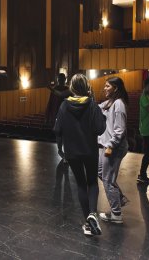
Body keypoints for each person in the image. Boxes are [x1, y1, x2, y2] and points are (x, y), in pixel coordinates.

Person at [54, 74, 106, 236]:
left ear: (72, 87)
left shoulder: (64, 106)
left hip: (72, 152)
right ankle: (92, 214)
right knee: (92, 183)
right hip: (90, 150)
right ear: (87, 87)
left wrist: (60, 148)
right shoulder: (92, 105)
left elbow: (58, 130)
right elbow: (100, 129)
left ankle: (88, 223)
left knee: (81, 185)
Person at [97, 77, 129, 224]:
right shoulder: (109, 103)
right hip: (106, 145)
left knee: (108, 180)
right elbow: (97, 108)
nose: (104, 88)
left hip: (113, 147)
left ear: (115, 88)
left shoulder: (119, 104)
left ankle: (116, 214)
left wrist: (110, 146)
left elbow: (119, 130)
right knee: (100, 172)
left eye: (107, 86)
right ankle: (120, 198)